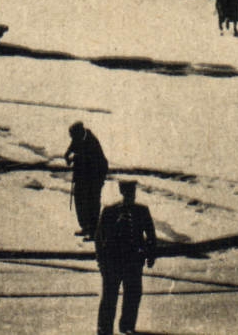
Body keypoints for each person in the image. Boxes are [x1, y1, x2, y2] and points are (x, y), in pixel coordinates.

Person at [95, 180, 156, 335]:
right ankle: (104, 329)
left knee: (133, 295)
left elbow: (151, 235)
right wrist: (101, 262)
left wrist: (150, 255)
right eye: (128, 193)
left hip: (133, 262)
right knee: (109, 297)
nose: (131, 196)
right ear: (122, 192)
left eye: (133, 193)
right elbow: (99, 238)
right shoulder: (110, 211)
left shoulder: (142, 211)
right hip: (113, 262)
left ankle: (127, 326)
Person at [65, 122, 109, 240]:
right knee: (79, 200)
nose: (73, 139)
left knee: (92, 203)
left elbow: (87, 158)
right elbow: (72, 147)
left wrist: (74, 158)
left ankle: (94, 232)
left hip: (96, 176)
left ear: (80, 133)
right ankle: (85, 227)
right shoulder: (78, 137)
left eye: (74, 136)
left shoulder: (92, 141)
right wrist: (67, 155)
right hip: (83, 176)